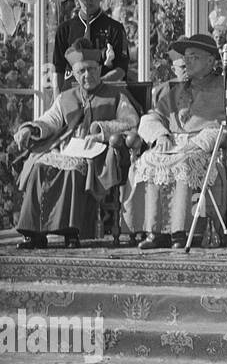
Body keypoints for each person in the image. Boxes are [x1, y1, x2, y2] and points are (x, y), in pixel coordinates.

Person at [129, 33, 227, 249]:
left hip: (208, 150)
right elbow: (153, 116)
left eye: (194, 57)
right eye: (186, 57)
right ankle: (155, 231)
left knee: (184, 164)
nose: (187, 61)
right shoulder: (177, 89)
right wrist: (160, 134)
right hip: (172, 144)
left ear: (211, 61)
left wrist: (203, 140)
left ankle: (180, 232)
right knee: (148, 160)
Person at [14, 41, 139, 249]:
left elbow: (130, 122)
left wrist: (101, 130)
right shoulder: (65, 97)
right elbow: (49, 120)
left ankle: (70, 232)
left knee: (74, 170)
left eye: (91, 69)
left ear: (99, 69)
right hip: (67, 148)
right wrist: (32, 129)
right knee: (38, 167)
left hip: (97, 151)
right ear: (73, 73)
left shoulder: (116, 95)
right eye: (81, 71)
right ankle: (33, 233)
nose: (87, 75)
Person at [53, 0, 129, 85]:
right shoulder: (64, 29)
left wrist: (96, 84)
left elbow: (121, 69)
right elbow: (58, 69)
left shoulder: (115, 28)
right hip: (72, 92)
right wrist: (57, 97)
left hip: (104, 92)